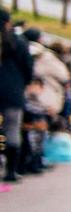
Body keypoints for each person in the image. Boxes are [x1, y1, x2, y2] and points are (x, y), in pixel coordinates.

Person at [0, 10, 30, 184]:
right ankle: (11, 171)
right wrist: (24, 82)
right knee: (12, 129)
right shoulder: (17, 41)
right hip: (12, 90)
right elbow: (27, 66)